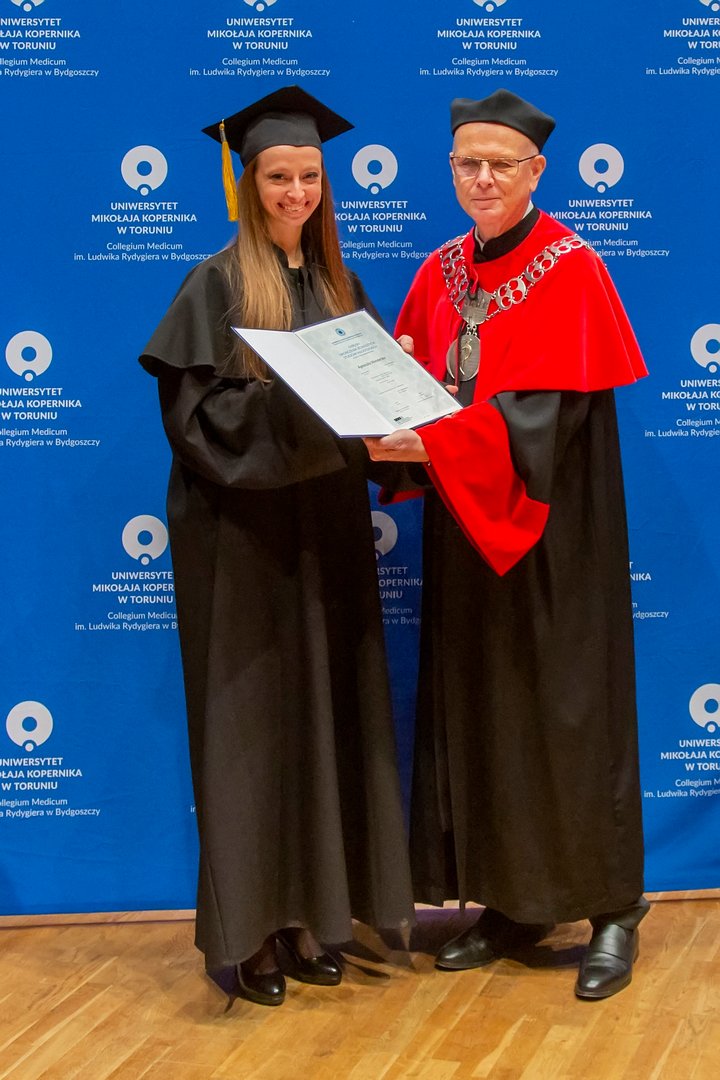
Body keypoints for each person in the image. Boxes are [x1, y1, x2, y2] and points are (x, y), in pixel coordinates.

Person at [365, 89, 649, 1001]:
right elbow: (411, 382)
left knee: (569, 716)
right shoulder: (441, 269)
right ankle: (516, 902)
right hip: (467, 536)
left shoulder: (573, 269)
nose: (482, 178)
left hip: (556, 540)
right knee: (486, 715)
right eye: (467, 164)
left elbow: (545, 418)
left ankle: (613, 909)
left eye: (500, 164)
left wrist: (434, 442)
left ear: (537, 172)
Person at [139, 87, 415, 1007]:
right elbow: (201, 424)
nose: (296, 192)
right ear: (248, 184)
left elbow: (370, 407)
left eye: (309, 177)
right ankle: (251, 935)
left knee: (326, 719)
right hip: (244, 546)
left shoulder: (341, 288)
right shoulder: (215, 285)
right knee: (252, 732)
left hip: (326, 536)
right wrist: (307, 409)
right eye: (277, 177)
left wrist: (395, 420)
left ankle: (312, 919)